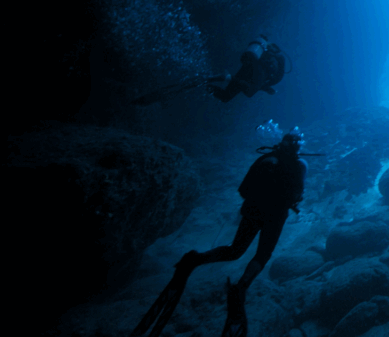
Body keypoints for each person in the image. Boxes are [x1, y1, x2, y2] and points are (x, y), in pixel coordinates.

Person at [131, 131, 309, 337]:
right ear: (298, 148)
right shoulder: (301, 165)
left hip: (254, 211)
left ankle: (194, 260)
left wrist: (258, 200)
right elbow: (299, 194)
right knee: (263, 254)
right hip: (276, 215)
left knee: (235, 251)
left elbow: (243, 189)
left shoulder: (266, 159)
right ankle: (241, 287)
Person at [208, 35, 287, 103]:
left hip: (249, 66)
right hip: (259, 70)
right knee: (249, 92)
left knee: (225, 97)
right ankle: (227, 77)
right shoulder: (277, 68)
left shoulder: (267, 53)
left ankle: (204, 82)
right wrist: (267, 89)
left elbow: (261, 85)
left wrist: (266, 89)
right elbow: (262, 84)